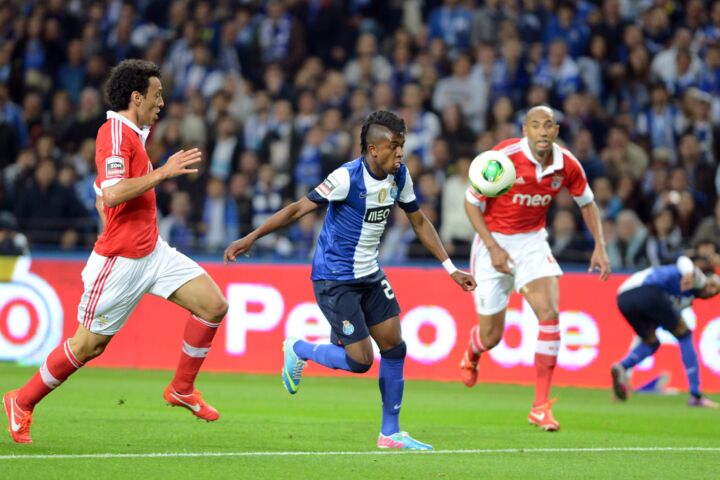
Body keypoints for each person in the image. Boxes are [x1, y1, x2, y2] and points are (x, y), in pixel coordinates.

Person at [3, 60, 229, 444]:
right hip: (120, 261)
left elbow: (102, 190)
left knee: (213, 305)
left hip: (152, 252)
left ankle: (181, 388)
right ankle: (21, 401)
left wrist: (105, 197)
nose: (161, 103)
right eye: (156, 96)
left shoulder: (132, 134)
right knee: (87, 346)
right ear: (136, 97)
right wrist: (163, 172)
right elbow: (112, 192)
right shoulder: (114, 133)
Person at [224, 111, 476, 450]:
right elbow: (298, 209)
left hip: (369, 274)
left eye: (402, 146)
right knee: (360, 360)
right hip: (334, 278)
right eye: (395, 146)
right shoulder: (346, 178)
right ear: (374, 149)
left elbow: (419, 223)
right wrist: (250, 237)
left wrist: (451, 268)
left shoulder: (400, 178)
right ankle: (299, 348)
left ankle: (390, 433)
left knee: (394, 346)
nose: (401, 153)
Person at [459, 106, 611, 432]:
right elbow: (471, 202)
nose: (542, 132)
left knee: (549, 312)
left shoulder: (567, 164)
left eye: (548, 126)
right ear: (525, 130)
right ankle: (473, 351)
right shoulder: (503, 157)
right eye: (535, 126)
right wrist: (493, 246)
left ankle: (540, 406)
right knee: (491, 336)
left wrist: (600, 244)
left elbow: (588, 203)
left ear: (556, 130)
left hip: (531, 243)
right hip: (492, 242)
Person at [610, 256, 719, 408]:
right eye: (713, 284)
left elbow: (643, 335)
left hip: (624, 299)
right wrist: (688, 273)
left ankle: (622, 367)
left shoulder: (684, 299)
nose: (711, 291)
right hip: (648, 290)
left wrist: (627, 376)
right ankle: (695, 395)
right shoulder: (697, 280)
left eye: (715, 292)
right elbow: (683, 260)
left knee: (651, 341)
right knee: (684, 334)